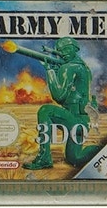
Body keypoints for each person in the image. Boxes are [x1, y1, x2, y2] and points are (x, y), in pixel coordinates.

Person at [23, 37, 100, 170]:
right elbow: (73, 92)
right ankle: (104, 149)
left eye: (66, 49)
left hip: (75, 121)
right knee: (75, 158)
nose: (63, 53)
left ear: (75, 49)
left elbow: (58, 96)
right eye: (60, 50)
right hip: (82, 123)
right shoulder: (84, 68)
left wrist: (50, 71)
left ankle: (44, 158)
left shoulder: (68, 68)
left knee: (45, 110)